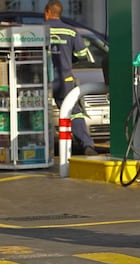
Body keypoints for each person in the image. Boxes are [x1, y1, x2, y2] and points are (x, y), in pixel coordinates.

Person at [44, 0, 98, 155]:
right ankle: (87, 145)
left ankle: (35, 149)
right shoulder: (71, 32)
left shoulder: (38, 30)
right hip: (65, 79)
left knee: (36, 113)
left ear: (48, 12)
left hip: (42, 80)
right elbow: (83, 55)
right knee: (74, 112)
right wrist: (70, 58)